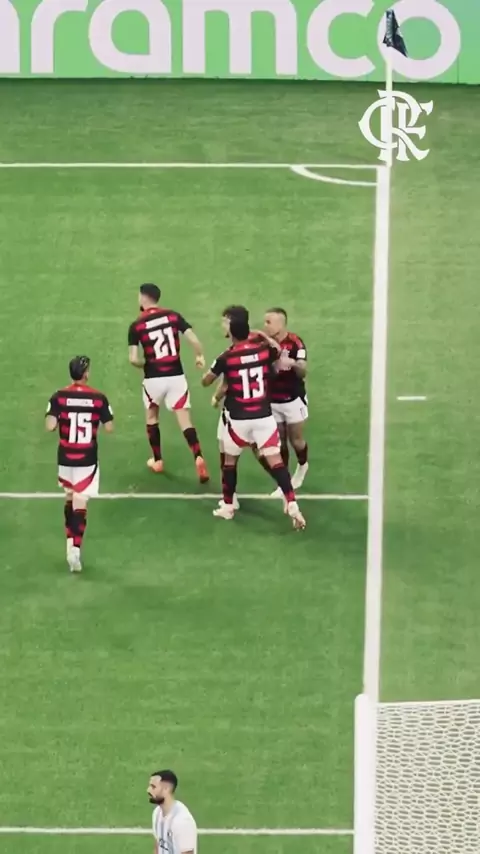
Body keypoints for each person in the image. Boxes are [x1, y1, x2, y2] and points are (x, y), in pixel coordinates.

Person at [202, 317, 306, 529]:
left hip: (238, 419)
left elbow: (207, 380)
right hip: (263, 417)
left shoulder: (226, 357)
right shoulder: (263, 351)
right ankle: (291, 502)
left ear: (231, 333)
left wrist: (209, 376)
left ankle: (228, 506)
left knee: (229, 462)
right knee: (276, 461)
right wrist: (265, 336)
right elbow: (278, 350)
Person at [128, 284, 209, 484]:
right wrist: (199, 356)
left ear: (143, 298)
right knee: (185, 420)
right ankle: (198, 456)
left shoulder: (137, 325)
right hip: (176, 376)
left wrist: (147, 364)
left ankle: (158, 460)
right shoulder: (173, 316)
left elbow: (133, 359)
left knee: (152, 417)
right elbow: (194, 340)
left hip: (153, 379)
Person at [45, 356, 114, 573]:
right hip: (86, 458)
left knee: (69, 498)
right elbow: (109, 427)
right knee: (80, 502)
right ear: (86, 374)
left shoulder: (59, 396)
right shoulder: (98, 398)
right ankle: (75, 548)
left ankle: (69, 542)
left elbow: (49, 426)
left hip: (65, 457)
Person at [263, 308, 308, 494]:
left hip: (293, 399)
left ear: (281, 324)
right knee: (280, 443)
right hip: (273, 400)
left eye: (268, 322)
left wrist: (292, 364)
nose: (265, 326)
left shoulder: (296, 343)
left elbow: (303, 370)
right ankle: (285, 482)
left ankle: (303, 465)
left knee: (296, 440)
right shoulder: (264, 344)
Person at [148, 769, 197, 854]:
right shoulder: (157, 813)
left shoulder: (182, 820)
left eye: (153, 787)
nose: (148, 790)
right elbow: (158, 845)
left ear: (166, 789)